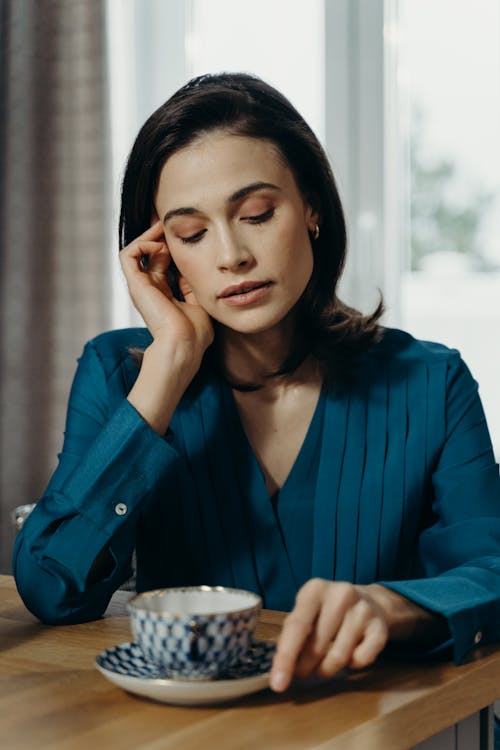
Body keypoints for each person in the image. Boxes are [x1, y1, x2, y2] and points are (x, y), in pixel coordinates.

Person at [13, 72, 500, 695]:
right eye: (192, 234)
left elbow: (490, 571)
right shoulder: (121, 373)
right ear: (160, 254)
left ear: (314, 209)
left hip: (372, 726)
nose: (232, 255)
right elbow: (51, 590)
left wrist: (390, 607)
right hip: (176, 735)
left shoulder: (431, 382)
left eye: (257, 214)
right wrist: (169, 367)